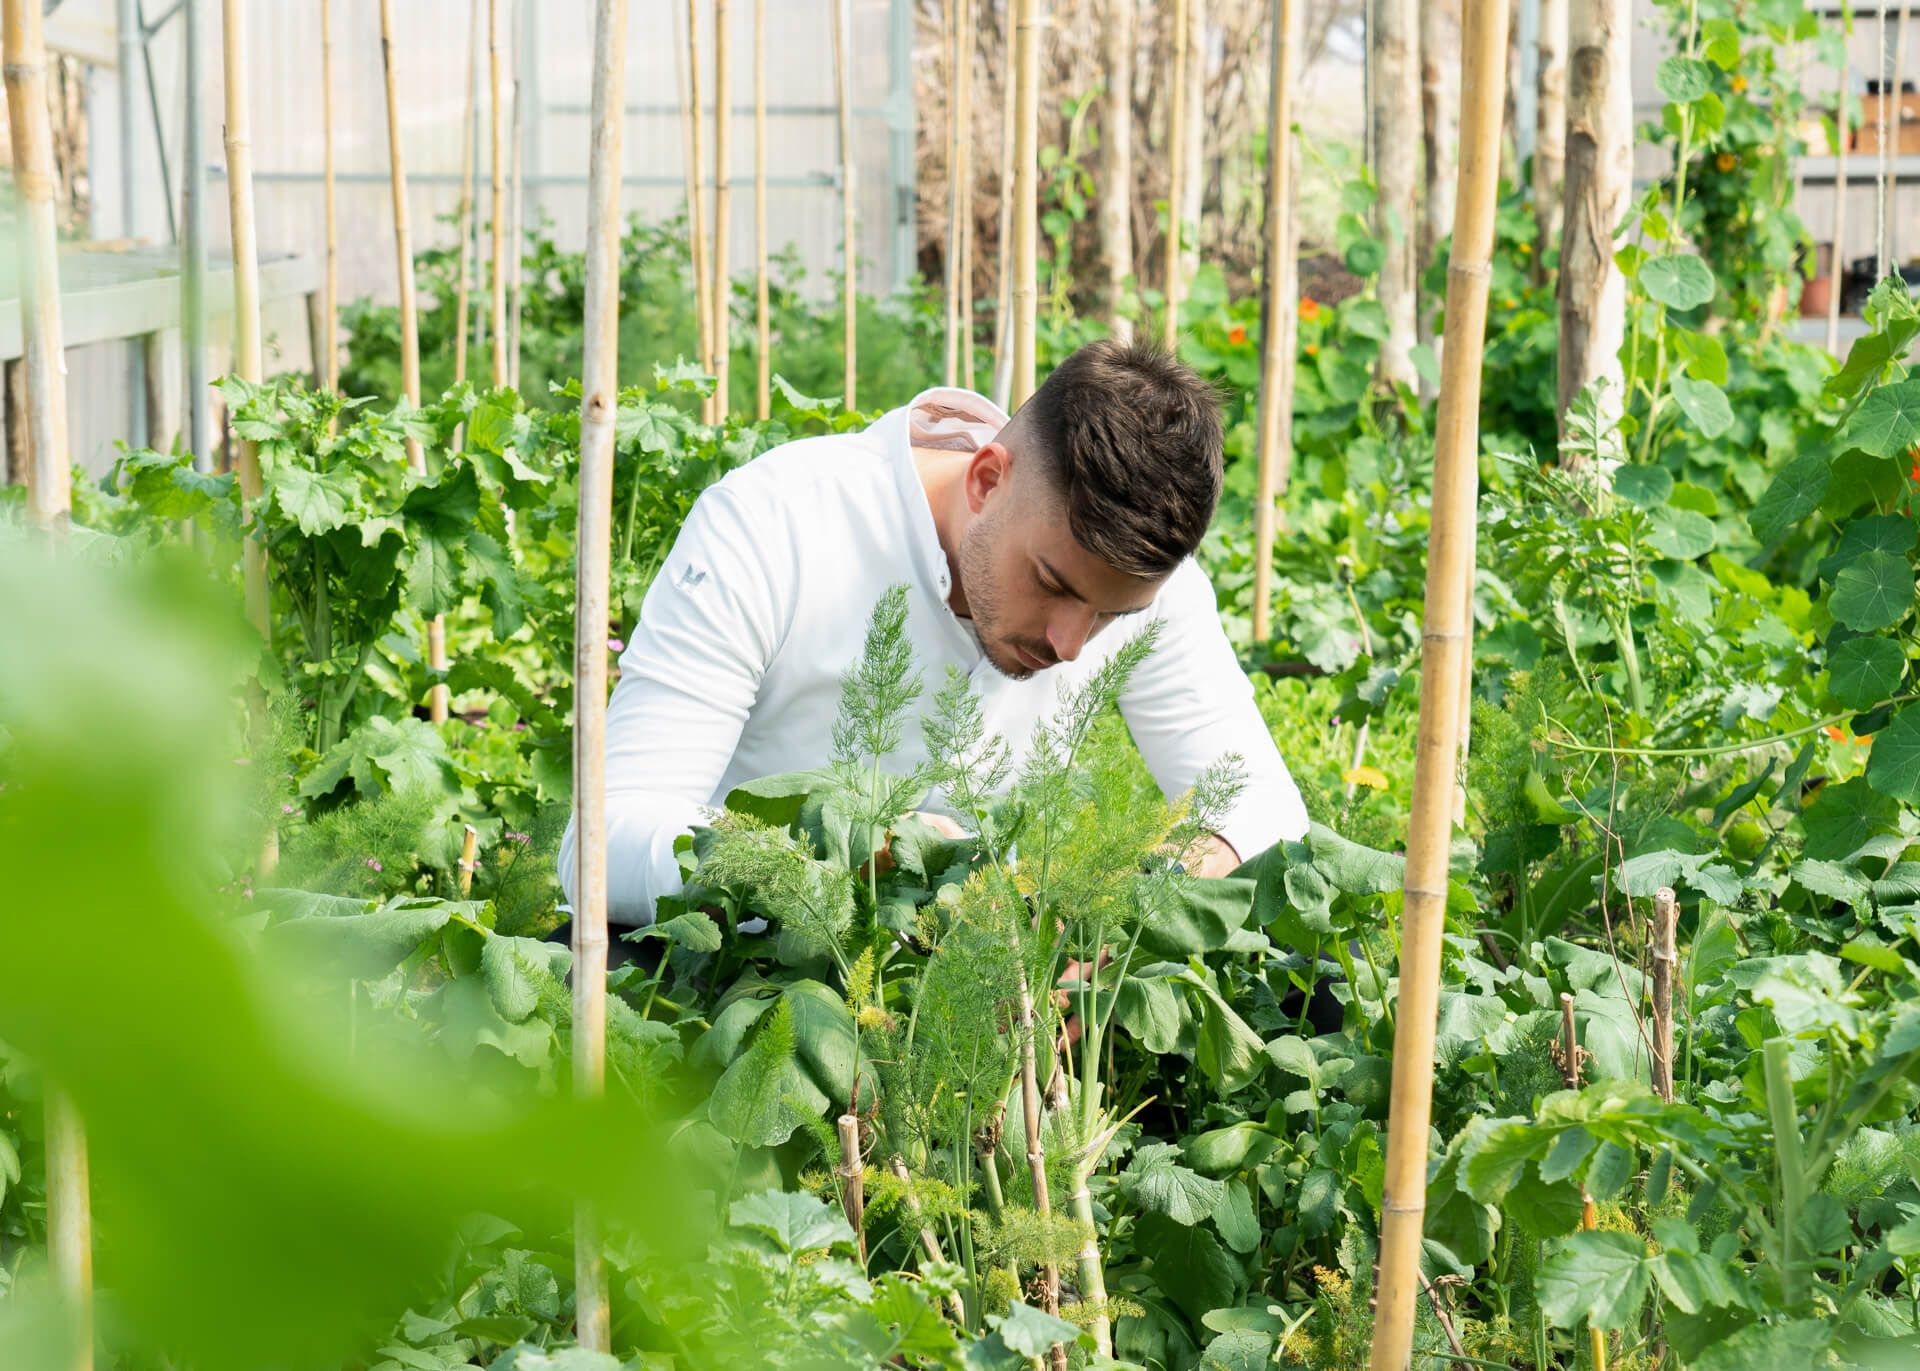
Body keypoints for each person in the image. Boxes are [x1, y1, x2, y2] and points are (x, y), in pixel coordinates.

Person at [557, 338, 1307, 929]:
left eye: (1114, 616)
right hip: (753, 958)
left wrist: (1133, 904)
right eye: (1052, 584)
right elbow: (604, 842)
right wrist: (843, 850)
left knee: (1315, 976)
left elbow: (1263, 807)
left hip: (978, 991)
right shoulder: (774, 523)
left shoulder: (1132, 582)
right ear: (986, 478)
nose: (1072, 643)